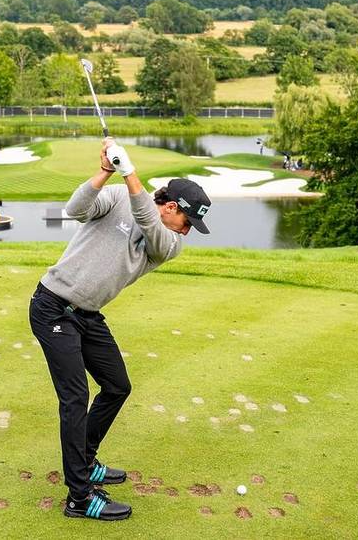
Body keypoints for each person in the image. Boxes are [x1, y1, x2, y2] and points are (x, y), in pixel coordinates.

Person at [29, 138, 211, 521]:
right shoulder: (115, 196)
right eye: (189, 222)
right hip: (53, 308)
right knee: (75, 399)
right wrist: (106, 172)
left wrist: (131, 173)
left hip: (88, 315)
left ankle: (86, 458)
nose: (188, 231)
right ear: (173, 207)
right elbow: (75, 209)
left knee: (117, 386)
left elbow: (147, 218)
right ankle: (79, 497)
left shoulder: (169, 243)